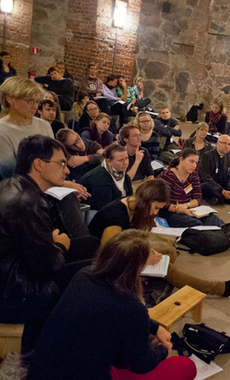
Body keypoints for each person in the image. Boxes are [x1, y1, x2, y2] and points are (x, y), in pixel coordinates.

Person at [28, 230, 198, 380]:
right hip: (85, 373)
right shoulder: (131, 305)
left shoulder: (84, 275)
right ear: (137, 267)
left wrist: (155, 327)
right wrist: (163, 350)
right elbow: (143, 365)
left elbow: (118, 315)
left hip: (39, 370)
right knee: (185, 366)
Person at [0, 135, 100, 355]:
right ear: (38, 164)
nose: (66, 171)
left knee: (90, 244)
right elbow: (47, 266)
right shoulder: (26, 203)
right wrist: (60, 246)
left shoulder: (13, 185)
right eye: (62, 163)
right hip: (14, 293)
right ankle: (68, 349)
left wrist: (53, 243)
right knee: (94, 274)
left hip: (15, 270)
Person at [88, 180, 230, 294]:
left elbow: (136, 240)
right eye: (156, 207)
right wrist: (143, 258)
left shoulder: (135, 207)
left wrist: (149, 252)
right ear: (147, 201)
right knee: (167, 268)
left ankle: (154, 278)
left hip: (123, 252)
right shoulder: (115, 216)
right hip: (104, 264)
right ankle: (218, 288)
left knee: (169, 252)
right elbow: (108, 256)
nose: (156, 213)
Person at [158, 149, 227, 227]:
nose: (194, 166)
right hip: (170, 211)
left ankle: (228, 230)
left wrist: (186, 205)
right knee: (195, 223)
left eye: (196, 163)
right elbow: (160, 202)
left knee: (212, 218)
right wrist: (181, 209)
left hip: (187, 208)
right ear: (181, 159)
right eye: (191, 161)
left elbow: (198, 199)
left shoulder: (193, 175)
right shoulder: (168, 175)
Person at [0, 77, 52, 180]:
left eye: (37, 102)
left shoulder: (44, 125)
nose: (35, 107)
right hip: (19, 190)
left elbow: (53, 161)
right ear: (10, 99)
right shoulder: (2, 131)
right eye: (29, 101)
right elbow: (11, 174)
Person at [199, 134, 230, 206]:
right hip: (212, 186)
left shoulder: (229, 159)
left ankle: (221, 198)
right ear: (218, 143)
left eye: (229, 144)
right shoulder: (207, 156)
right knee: (205, 187)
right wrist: (222, 190)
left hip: (223, 186)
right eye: (224, 143)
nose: (226, 146)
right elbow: (205, 177)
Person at [80, 144, 132, 211]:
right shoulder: (100, 177)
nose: (125, 163)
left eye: (126, 158)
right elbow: (105, 208)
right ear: (109, 161)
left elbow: (130, 198)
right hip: (93, 211)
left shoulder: (122, 172)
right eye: (120, 160)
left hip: (114, 209)